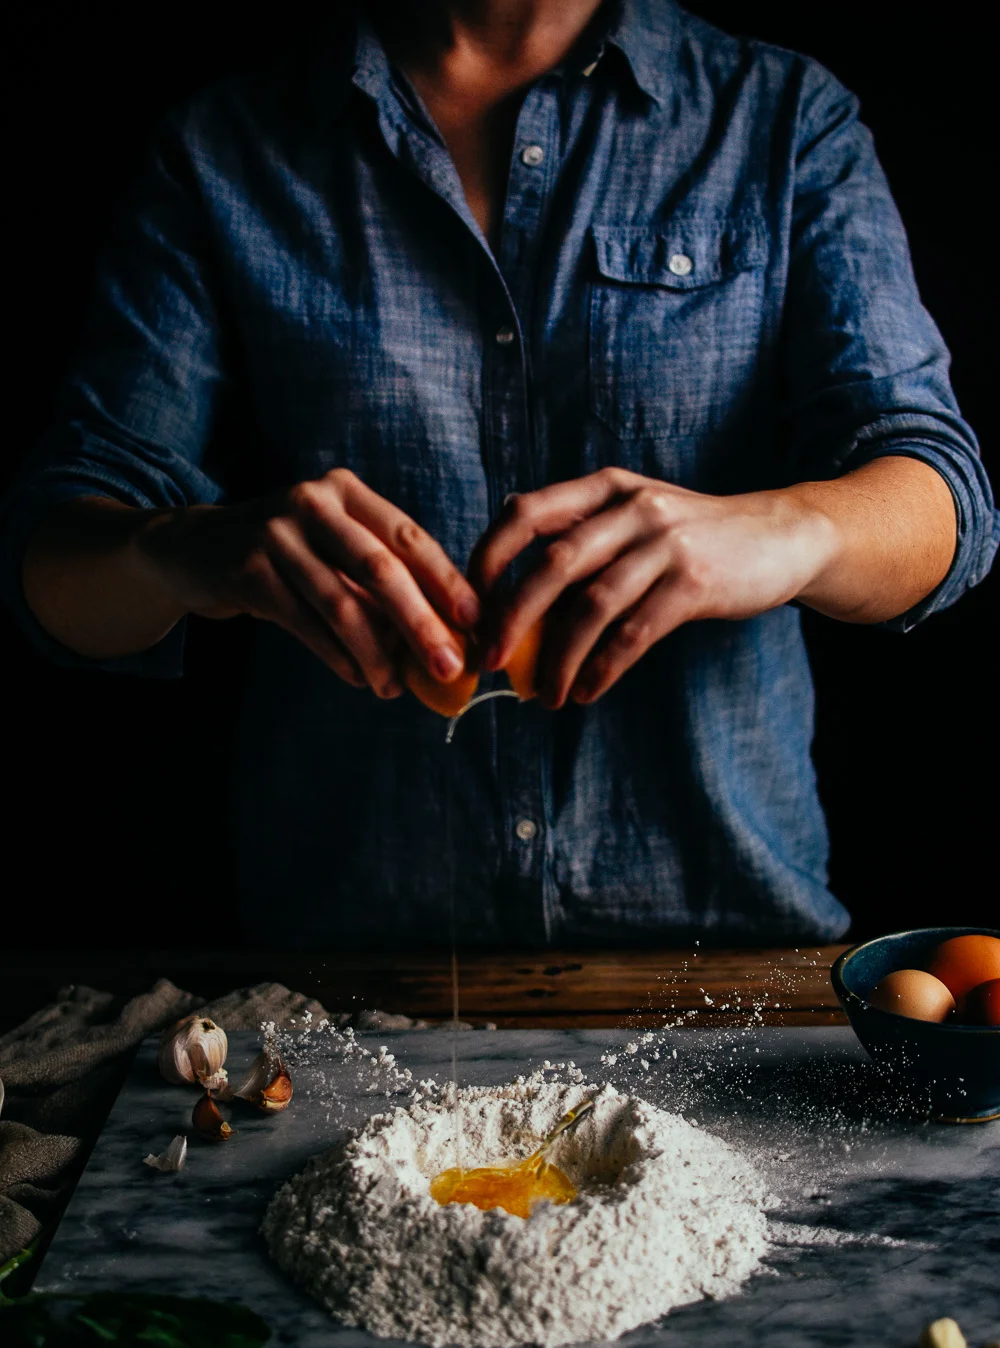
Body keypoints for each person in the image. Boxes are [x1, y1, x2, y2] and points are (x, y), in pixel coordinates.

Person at [1, 0, 994, 950]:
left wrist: (783, 529)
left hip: (727, 958)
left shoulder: (777, 117)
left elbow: (942, 499)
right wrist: (186, 548)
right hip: (339, 977)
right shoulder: (225, 145)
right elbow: (53, 570)